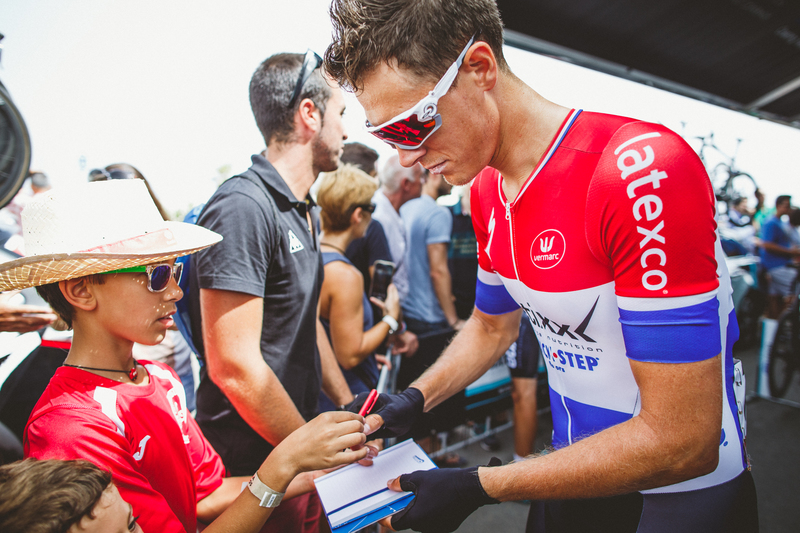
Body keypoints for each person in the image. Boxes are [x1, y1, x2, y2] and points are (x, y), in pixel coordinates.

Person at [324, 1, 756, 532]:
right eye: (385, 136)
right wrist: (417, 399)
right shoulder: (485, 189)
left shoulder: (637, 172)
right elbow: (490, 324)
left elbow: (684, 440)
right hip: (571, 475)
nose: (406, 157)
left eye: (411, 125)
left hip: (676, 498)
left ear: (480, 68)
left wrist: (479, 484)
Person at [0, 180, 369, 533]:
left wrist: (315, 470)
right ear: (80, 290)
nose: (176, 291)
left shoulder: (160, 378)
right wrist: (282, 463)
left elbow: (205, 494)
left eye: (176, 270)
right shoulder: (70, 429)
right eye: (157, 274)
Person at [188, 50, 354, 531]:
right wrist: (313, 453)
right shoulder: (242, 206)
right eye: (341, 114)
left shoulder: (305, 208)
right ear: (309, 114)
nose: (346, 131)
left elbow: (306, 322)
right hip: (251, 465)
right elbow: (234, 367)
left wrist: (345, 410)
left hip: (294, 451)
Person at [316, 165, 401, 409]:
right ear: (357, 215)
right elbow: (350, 354)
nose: (373, 217)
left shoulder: (309, 257)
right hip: (347, 396)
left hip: (321, 389)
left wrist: (368, 355)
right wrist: (390, 320)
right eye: (371, 209)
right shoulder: (345, 275)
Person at [400, 169, 463, 335]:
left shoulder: (405, 207)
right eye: (447, 175)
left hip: (406, 313)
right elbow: (438, 271)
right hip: (430, 317)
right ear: (434, 176)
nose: (453, 181)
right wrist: (454, 321)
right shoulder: (438, 213)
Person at [340, 142, 395, 296]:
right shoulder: (371, 226)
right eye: (375, 175)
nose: (378, 183)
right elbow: (382, 291)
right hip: (367, 316)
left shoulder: (320, 218)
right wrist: (393, 318)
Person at [759, 195, 800, 319]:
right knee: (793, 296)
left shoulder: (779, 223)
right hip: (776, 267)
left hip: (778, 266)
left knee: (775, 301)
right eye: (786, 206)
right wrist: (790, 252)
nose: (788, 209)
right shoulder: (771, 222)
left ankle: (774, 334)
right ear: (778, 206)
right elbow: (766, 244)